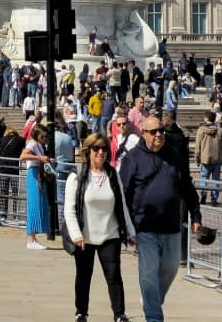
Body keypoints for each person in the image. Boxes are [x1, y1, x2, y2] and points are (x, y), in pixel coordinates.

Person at [120, 116, 202, 322]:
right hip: (144, 226)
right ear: (144, 134)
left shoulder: (175, 156)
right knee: (148, 272)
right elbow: (123, 193)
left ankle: (151, 300)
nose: (159, 134)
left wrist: (196, 214)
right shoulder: (132, 158)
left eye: (161, 131)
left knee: (171, 267)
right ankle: (154, 316)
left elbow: (188, 188)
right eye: (154, 131)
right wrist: (125, 226)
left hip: (172, 226)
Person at [64, 132, 133, 322]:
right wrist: (76, 235)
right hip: (84, 236)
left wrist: (130, 231)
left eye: (104, 148)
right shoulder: (77, 176)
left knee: (114, 276)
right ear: (88, 151)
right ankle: (81, 312)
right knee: (83, 277)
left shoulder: (113, 174)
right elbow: (69, 210)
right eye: (96, 148)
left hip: (109, 234)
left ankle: (119, 314)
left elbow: (122, 205)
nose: (101, 152)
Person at [21, 124, 54, 249]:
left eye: (46, 136)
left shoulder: (39, 145)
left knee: (38, 204)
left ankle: (33, 238)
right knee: (34, 205)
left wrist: (48, 160)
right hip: (33, 175)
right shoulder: (33, 144)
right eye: (42, 136)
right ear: (37, 135)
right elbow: (23, 156)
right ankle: (31, 239)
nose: (45, 138)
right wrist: (40, 157)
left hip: (38, 175)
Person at [195, 111, 222, 205]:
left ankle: (203, 194)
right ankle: (214, 199)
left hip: (205, 158)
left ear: (206, 118)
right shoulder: (220, 130)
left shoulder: (201, 130)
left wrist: (197, 158)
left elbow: (197, 146)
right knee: (216, 180)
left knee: (203, 178)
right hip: (217, 158)